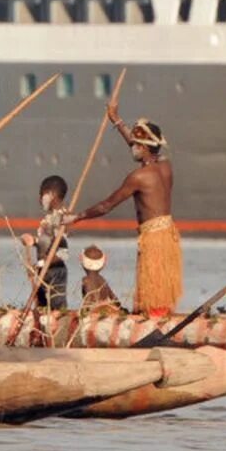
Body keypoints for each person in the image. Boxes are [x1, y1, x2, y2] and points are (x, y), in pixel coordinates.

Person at [70, 103, 178, 316]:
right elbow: (138, 144)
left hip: (154, 239)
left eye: (136, 145)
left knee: (154, 286)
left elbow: (106, 205)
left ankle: (154, 319)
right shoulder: (165, 166)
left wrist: (77, 217)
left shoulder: (138, 177)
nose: (132, 147)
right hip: (167, 235)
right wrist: (117, 121)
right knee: (158, 286)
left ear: (145, 147)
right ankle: (157, 314)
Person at [22, 175, 69, 311]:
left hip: (55, 271)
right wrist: (33, 241)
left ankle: (58, 329)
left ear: (51, 195)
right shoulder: (50, 218)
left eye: (41, 194)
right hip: (43, 271)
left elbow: (62, 253)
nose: (39, 199)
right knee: (41, 306)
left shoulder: (61, 219)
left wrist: (41, 264)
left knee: (56, 308)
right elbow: (48, 242)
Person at [78, 246, 123, 314]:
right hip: (106, 310)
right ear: (103, 262)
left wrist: (83, 312)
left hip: (94, 312)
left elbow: (88, 299)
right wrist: (121, 309)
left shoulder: (86, 280)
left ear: (81, 259)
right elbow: (115, 299)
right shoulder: (103, 280)